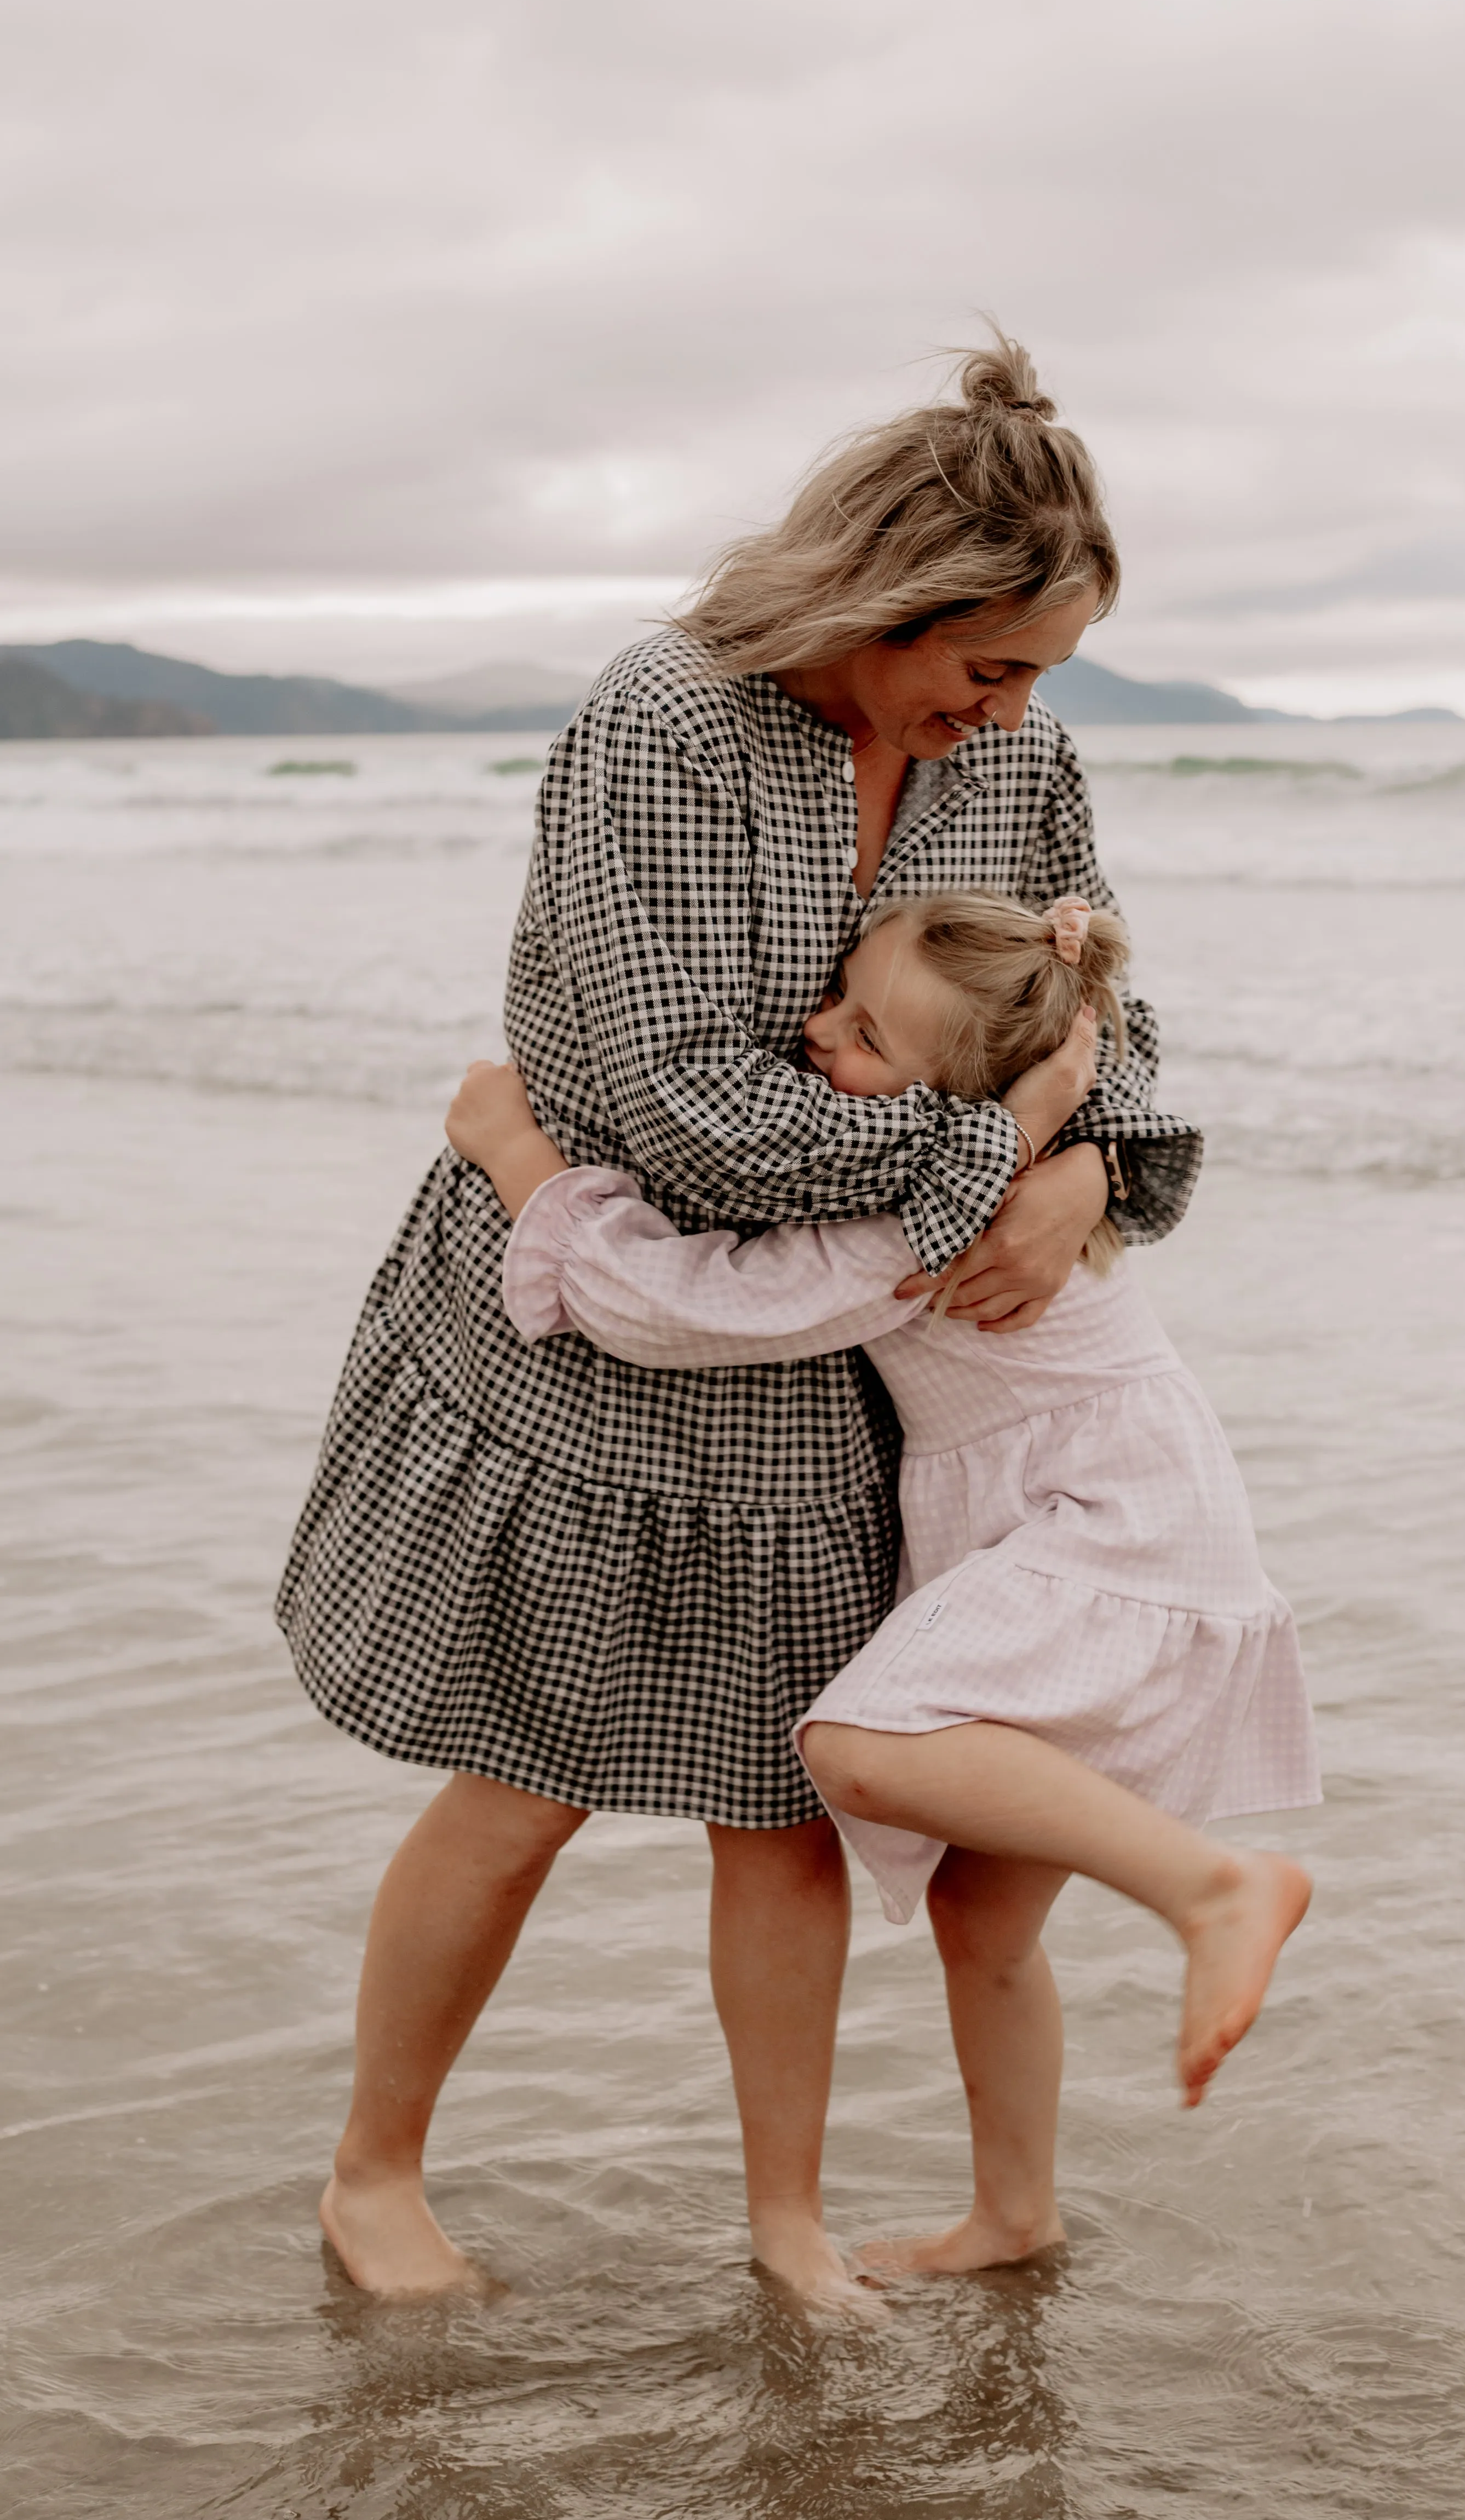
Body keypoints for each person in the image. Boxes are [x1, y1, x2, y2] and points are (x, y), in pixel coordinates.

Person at [275, 332, 1202, 2304]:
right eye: (991, 660)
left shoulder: (1020, 760)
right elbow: (684, 1100)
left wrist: (1086, 1171)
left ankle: (785, 2228)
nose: (1014, 709)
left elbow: (1103, 1013)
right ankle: (373, 2174)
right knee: (522, 1775)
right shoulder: (667, 722)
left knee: (780, 1816)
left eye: (1041, 671)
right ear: (886, 601)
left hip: (847, 1374)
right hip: (603, 1311)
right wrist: (994, 1155)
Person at [443, 887, 1319, 2282]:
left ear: (952, 1111)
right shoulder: (979, 1172)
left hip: (1106, 1524)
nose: (815, 1035)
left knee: (855, 1743)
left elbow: (683, 1307)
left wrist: (520, 1163)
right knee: (986, 1921)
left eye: (860, 1036)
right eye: (840, 1002)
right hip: (1100, 1505)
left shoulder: (923, 1226)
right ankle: (1013, 2216)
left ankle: (1214, 1888)